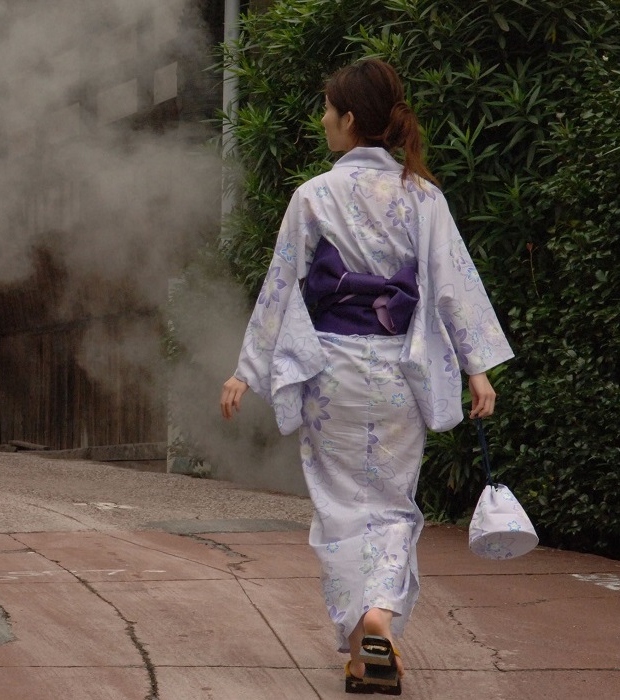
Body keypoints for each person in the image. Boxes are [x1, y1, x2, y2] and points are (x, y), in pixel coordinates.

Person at [219, 58, 513, 695]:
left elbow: (281, 286)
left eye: (328, 110)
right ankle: (376, 625)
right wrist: (477, 369)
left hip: (332, 371)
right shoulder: (422, 195)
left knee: (339, 508)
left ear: (350, 120)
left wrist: (247, 370)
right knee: (390, 506)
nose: (323, 120)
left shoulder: (314, 196)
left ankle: (363, 637)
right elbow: (452, 287)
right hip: (400, 372)